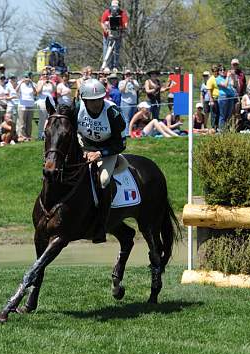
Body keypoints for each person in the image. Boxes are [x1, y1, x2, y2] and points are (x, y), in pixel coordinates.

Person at [76, 78, 126, 243]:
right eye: (92, 101)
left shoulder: (112, 112)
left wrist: (100, 153)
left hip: (107, 151)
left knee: (103, 180)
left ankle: (101, 224)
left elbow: (121, 144)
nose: (96, 104)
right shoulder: (77, 108)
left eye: (99, 99)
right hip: (84, 147)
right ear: (84, 100)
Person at [100, 0, 128, 69]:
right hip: (107, 36)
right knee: (106, 49)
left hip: (118, 35)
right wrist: (107, 30)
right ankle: (106, 66)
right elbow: (102, 22)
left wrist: (122, 29)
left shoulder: (123, 13)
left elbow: (125, 24)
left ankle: (115, 66)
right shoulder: (106, 12)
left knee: (116, 50)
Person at [16, 71, 37, 141]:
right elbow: (16, 90)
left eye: (28, 77)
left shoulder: (33, 84)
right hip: (22, 105)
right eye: (25, 77)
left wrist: (31, 83)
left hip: (30, 104)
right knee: (22, 122)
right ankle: (21, 136)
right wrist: (21, 82)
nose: (26, 78)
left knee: (29, 122)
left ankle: (28, 135)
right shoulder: (20, 83)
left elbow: (35, 93)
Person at [216, 65, 237, 130]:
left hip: (231, 97)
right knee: (223, 115)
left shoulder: (228, 78)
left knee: (229, 115)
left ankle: (227, 129)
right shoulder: (217, 79)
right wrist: (228, 76)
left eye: (224, 70)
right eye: (221, 70)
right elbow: (225, 85)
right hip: (223, 97)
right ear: (218, 72)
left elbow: (233, 85)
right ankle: (222, 130)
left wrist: (233, 76)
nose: (223, 71)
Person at [36, 70, 56, 140]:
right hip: (42, 101)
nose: (45, 75)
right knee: (42, 119)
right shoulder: (39, 82)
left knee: (50, 118)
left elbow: (54, 91)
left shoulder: (51, 82)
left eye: (47, 74)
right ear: (41, 75)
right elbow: (38, 91)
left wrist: (52, 83)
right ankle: (40, 135)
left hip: (50, 101)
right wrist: (42, 83)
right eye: (43, 74)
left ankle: (47, 134)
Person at [119, 69, 139, 136]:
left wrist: (132, 82)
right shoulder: (121, 82)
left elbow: (137, 89)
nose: (128, 76)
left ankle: (131, 132)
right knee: (126, 119)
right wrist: (126, 82)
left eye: (129, 74)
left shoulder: (135, 81)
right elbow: (121, 90)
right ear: (124, 75)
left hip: (134, 103)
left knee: (132, 119)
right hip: (126, 102)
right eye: (127, 74)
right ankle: (126, 134)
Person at [206, 65, 221, 131]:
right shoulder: (211, 79)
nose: (217, 72)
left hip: (221, 99)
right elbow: (209, 90)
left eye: (217, 71)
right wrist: (211, 100)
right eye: (215, 71)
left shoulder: (220, 78)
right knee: (214, 114)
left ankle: (219, 127)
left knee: (219, 114)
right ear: (212, 72)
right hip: (215, 99)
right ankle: (213, 127)